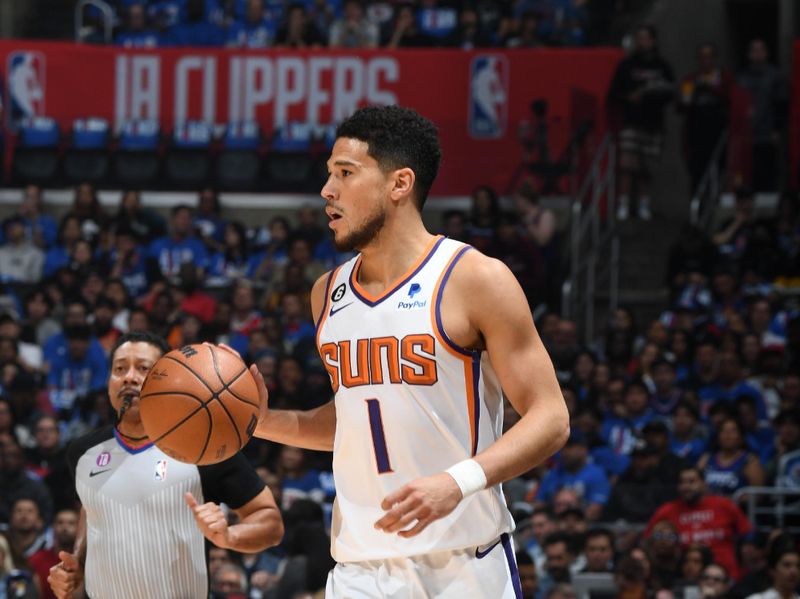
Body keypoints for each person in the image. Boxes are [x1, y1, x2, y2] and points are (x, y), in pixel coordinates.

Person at [251, 105, 569, 596]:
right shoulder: (326, 293)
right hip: (358, 568)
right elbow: (357, 419)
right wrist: (260, 419)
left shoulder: (475, 278)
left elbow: (550, 417)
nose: (327, 191)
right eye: (328, 174)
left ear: (399, 184)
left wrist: (456, 482)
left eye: (345, 173)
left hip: (463, 562)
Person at [47, 331, 283, 599]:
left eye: (144, 368)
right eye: (119, 369)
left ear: (168, 377)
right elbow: (92, 508)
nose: (129, 377)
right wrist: (77, 561)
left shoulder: (203, 446)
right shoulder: (83, 451)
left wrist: (228, 536)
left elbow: (271, 523)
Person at [645, 466, 752, 580]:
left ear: (704, 484)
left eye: (692, 481)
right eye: (682, 482)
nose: (686, 487)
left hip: (726, 576)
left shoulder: (724, 505)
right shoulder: (667, 510)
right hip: (683, 576)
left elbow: (748, 534)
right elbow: (647, 539)